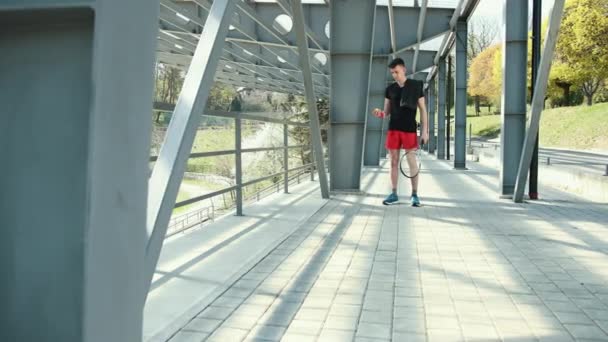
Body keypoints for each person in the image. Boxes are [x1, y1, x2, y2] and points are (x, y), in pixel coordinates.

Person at [372, 58, 428, 206]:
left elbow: (423, 110)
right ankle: (394, 193)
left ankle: (415, 195)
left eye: (396, 71)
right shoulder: (390, 89)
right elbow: (387, 112)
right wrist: (380, 114)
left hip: (409, 129)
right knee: (393, 163)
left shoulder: (416, 86)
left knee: (411, 163)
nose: (394, 75)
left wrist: (425, 132)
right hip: (393, 130)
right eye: (392, 73)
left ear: (404, 69)